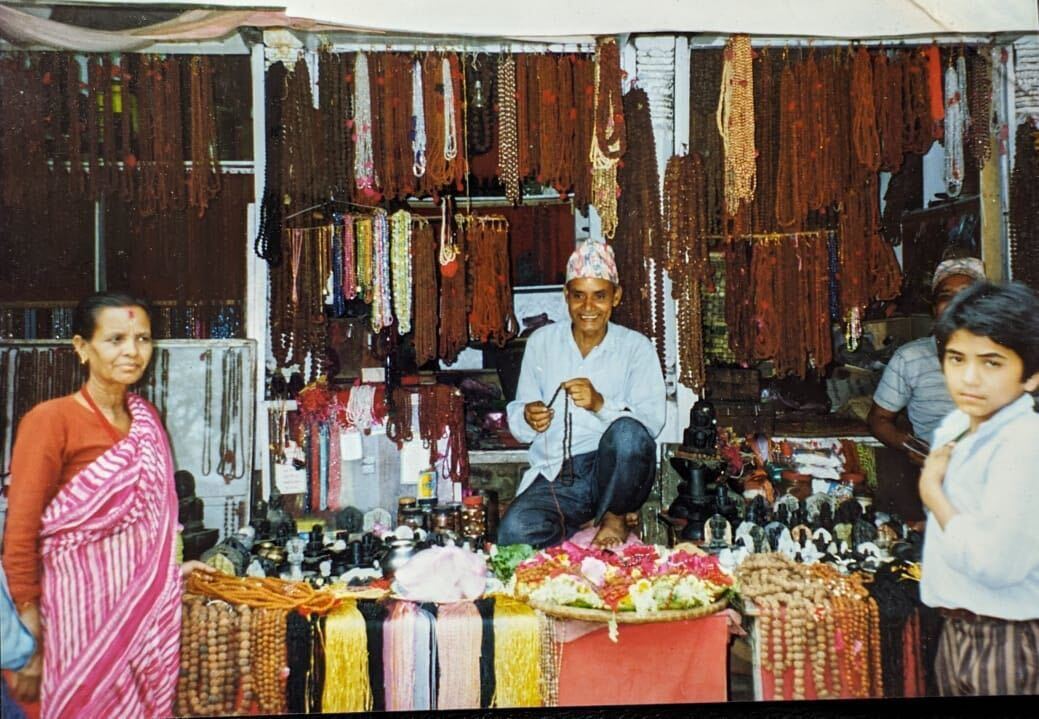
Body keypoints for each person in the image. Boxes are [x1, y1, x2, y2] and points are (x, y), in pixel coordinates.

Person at [1, 292, 207, 717]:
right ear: (82, 347)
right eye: (115, 339)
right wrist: (30, 635)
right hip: (67, 628)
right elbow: (20, 537)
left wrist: (168, 574)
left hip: (138, 627)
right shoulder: (51, 420)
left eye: (143, 339)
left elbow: (149, 527)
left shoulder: (147, 420)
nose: (132, 351)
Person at [498, 240, 666, 549]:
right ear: (566, 295)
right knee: (514, 534)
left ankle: (613, 516)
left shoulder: (636, 347)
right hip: (560, 475)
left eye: (599, 296)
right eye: (579, 296)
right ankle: (582, 524)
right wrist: (528, 416)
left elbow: (650, 425)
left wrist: (600, 404)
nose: (588, 307)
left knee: (627, 433)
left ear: (616, 296)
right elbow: (520, 422)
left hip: (614, 474)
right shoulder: (541, 343)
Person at [918, 281, 1039, 696]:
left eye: (992, 363)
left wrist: (934, 495)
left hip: (1006, 639)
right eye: (957, 358)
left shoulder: (1025, 444)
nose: (969, 378)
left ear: (1031, 375)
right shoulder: (955, 426)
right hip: (959, 630)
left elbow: (996, 566)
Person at [867, 257, 985, 521]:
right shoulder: (911, 358)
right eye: (946, 296)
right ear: (934, 308)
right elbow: (879, 419)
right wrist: (912, 446)